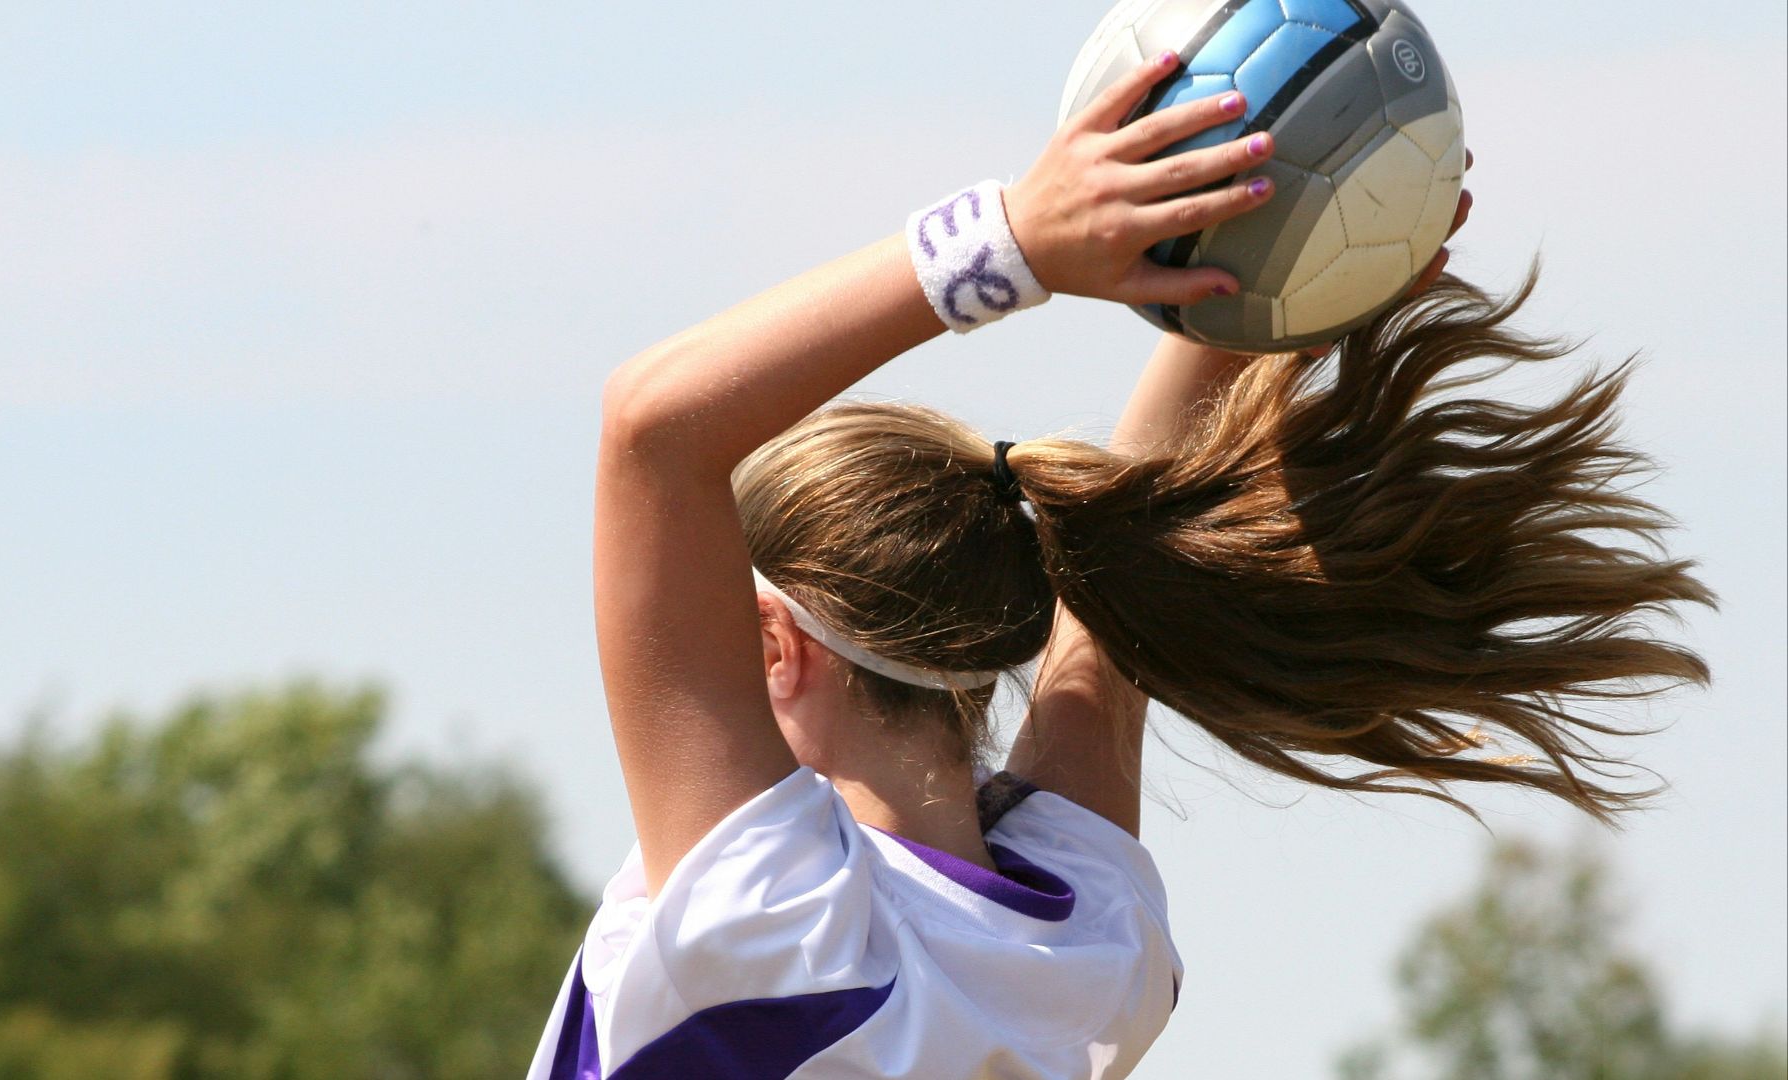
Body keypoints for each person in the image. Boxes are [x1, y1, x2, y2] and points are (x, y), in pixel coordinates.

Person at [527, 53, 1709, 1080]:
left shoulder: (782, 929)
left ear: (774, 647)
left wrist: (1020, 240)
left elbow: (652, 426)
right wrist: (1286, 271)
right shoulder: (1072, 949)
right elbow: (1116, 562)